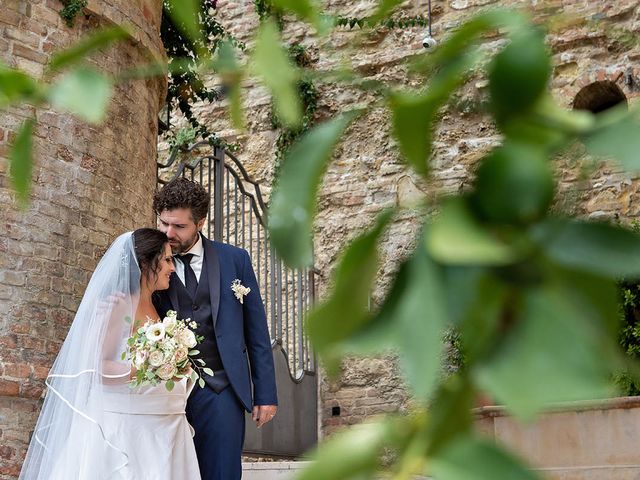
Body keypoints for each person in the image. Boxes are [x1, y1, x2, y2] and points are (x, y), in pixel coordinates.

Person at [19, 228, 201, 480]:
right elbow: (96, 367)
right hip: (126, 428)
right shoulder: (118, 305)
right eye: (168, 260)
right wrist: (146, 370)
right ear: (147, 263)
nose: (172, 267)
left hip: (162, 424)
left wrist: (177, 365)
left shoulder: (157, 305)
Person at [152, 177, 278, 480]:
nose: (169, 234)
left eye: (179, 227)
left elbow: (256, 331)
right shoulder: (147, 260)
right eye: (164, 224)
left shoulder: (235, 260)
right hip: (165, 391)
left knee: (221, 472)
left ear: (201, 222)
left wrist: (266, 394)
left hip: (222, 388)